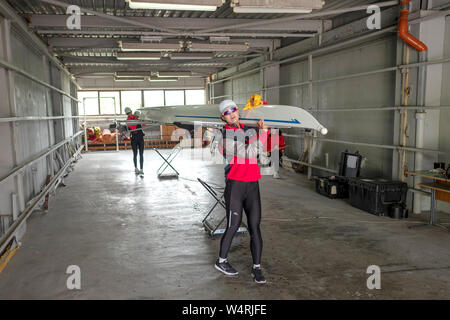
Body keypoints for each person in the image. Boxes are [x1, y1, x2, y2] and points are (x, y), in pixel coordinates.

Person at [215, 99, 268, 284]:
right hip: (236, 186)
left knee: (255, 227)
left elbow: (262, 151)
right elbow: (250, 153)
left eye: (234, 109)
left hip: (253, 185)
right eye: (227, 112)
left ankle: (257, 268)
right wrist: (263, 133)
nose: (232, 113)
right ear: (223, 117)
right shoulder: (225, 138)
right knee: (233, 225)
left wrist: (261, 124)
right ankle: (221, 261)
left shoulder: (249, 129)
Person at [125, 107, 145, 175]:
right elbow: (132, 127)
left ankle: (141, 169)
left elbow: (144, 124)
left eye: (130, 113)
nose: (129, 114)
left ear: (131, 111)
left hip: (140, 137)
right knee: (135, 154)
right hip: (133, 138)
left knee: (141, 154)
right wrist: (136, 119)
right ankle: (136, 168)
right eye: (128, 113)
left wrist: (139, 119)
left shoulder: (136, 116)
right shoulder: (128, 120)